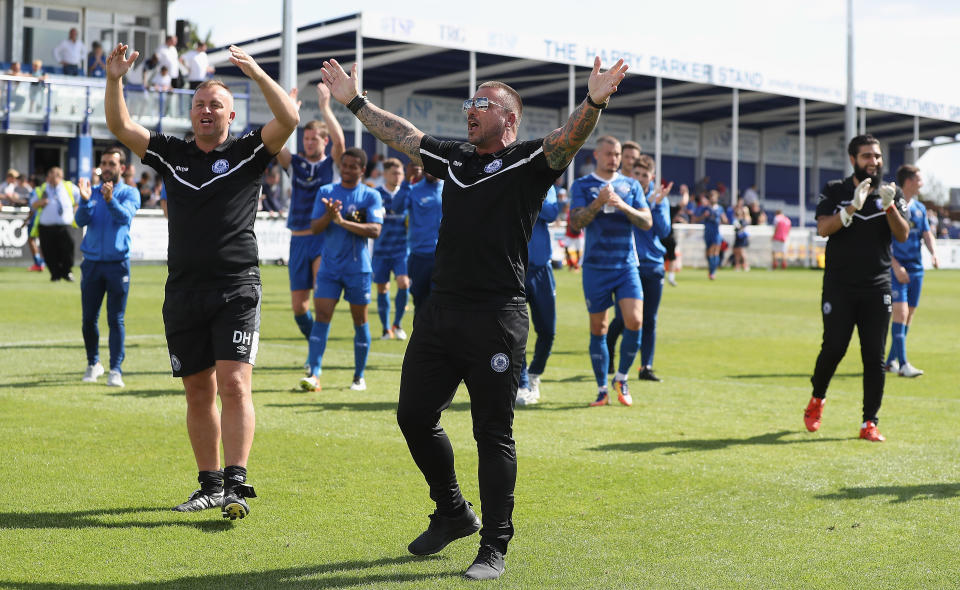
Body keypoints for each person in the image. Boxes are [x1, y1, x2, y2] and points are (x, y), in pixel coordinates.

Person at [321, 53, 627, 580]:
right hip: (440, 313)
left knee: (492, 432)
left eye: (482, 104)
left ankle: (495, 545)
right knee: (414, 417)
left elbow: (567, 140)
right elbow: (405, 136)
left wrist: (593, 100)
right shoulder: (458, 159)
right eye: (469, 103)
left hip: (497, 317)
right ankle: (453, 511)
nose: (471, 110)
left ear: (509, 118)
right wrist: (354, 101)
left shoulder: (531, 161)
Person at [104, 42, 299, 517]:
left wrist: (254, 72)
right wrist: (114, 80)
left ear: (231, 115)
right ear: (191, 114)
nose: (206, 110)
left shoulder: (250, 150)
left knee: (234, 385)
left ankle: (236, 483)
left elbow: (289, 119)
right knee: (197, 391)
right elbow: (121, 127)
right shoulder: (171, 153)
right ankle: (209, 484)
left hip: (237, 286)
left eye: (215, 104)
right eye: (199, 104)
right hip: (184, 290)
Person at [803, 134, 909, 443]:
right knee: (834, 347)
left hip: (877, 286)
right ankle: (817, 398)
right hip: (839, 285)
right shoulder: (835, 190)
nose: (874, 161)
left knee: (873, 357)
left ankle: (869, 422)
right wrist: (851, 208)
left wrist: (890, 207)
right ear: (853, 159)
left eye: (876, 156)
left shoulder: (892, 191)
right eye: (866, 156)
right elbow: (823, 228)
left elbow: (902, 236)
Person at [570, 135, 651, 407]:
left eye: (617, 154)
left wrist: (623, 205)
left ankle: (622, 377)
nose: (614, 159)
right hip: (595, 267)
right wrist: (597, 203)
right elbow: (576, 221)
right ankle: (602, 389)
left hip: (626, 265)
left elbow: (647, 221)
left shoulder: (630, 186)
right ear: (596, 155)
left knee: (635, 321)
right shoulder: (582, 185)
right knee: (599, 328)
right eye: (609, 154)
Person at [298, 148, 383, 392]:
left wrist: (343, 221)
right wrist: (329, 215)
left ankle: (358, 376)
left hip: (358, 270)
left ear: (362, 170)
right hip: (330, 269)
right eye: (344, 165)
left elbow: (375, 230)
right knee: (322, 318)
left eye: (353, 166)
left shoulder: (370, 196)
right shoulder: (326, 192)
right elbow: (315, 228)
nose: (347, 169)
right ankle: (314, 374)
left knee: (360, 321)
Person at [276, 84, 345, 360]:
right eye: (306, 139)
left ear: (323, 141)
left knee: (320, 299)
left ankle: (315, 357)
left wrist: (326, 108)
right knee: (298, 307)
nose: (309, 143)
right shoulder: (295, 164)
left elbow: (341, 144)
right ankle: (317, 343)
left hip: (323, 239)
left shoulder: (332, 164)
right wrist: (289, 111)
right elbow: (275, 142)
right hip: (298, 239)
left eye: (314, 139)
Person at [75, 147, 141, 387]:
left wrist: (110, 200)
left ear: (121, 168)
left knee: (116, 319)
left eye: (111, 164)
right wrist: (85, 202)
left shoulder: (130, 193)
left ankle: (115, 369)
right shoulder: (90, 192)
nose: (106, 167)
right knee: (88, 319)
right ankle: (94, 363)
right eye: (103, 163)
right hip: (92, 264)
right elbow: (80, 221)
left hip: (117, 265)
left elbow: (125, 217)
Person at [608, 155, 673, 383]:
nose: (640, 178)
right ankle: (609, 352)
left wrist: (655, 205)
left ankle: (646, 366)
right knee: (622, 318)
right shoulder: (624, 193)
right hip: (628, 265)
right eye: (637, 174)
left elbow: (664, 231)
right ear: (631, 174)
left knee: (650, 319)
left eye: (645, 175)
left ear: (651, 177)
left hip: (653, 266)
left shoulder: (659, 198)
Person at [885, 164, 938, 378]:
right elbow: (882, 242)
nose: (921, 183)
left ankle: (890, 362)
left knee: (909, 315)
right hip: (896, 268)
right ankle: (904, 364)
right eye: (919, 179)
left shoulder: (920, 208)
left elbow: (926, 234)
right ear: (908, 181)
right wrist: (895, 266)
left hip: (916, 268)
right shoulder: (890, 207)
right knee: (901, 312)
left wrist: (933, 253)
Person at [515, 184, 559, 406]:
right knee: (516, 331)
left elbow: (552, 213)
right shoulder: (512, 179)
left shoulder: (545, 185)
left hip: (542, 270)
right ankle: (521, 383)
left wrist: (531, 195)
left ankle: (534, 374)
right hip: (516, 268)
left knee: (548, 331)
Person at [372, 157, 413, 340]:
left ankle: (397, 324)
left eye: (400, 173)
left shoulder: (408, 193)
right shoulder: (376, 194)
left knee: (404, 283)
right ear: (386, 174)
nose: (398, 176)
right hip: (381, 251)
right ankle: (385, 328)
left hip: (401, 250)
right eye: (394, 173)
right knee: (382, 288)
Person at [29, 166, 79, 281]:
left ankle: (67, 272)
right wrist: (41, 202)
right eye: (50, 177)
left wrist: (75, 209)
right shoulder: (42, 189)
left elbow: (81, 199)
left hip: (65, 226)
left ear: (60, 177)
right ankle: (55, 274)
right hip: (46, 227)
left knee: (67, 250)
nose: (52, 179)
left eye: (55, 176)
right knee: (49, 252)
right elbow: (33, 204)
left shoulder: (69, 187)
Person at [405, 173, 443, 314]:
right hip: (419, 256)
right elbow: (396, 208)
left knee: (440, 303)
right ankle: (420, 335)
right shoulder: (413, 190)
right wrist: (404, 183)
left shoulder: (451, 187)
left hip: (443, 257)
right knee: (420, 303)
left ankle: (439, 335)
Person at [692, 189, 726, 279]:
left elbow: (725, 220)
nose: (712, 198)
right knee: (708, 253)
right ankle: (711, 270)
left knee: (715, 251)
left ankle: (712, 272)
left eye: (714, 196)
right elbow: (696, 219)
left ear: (717, 198)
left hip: (716, 232)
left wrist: (722, 218)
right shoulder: (705, 208)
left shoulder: (720, 208)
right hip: (708, 232)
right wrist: (704, 216)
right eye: (711, 197)